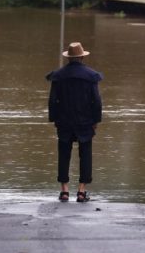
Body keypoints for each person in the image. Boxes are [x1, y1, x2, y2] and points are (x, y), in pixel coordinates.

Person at [46, 42, 103, 202]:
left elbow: (52, 101)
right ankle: (81, 191)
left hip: (64, 121)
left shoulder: (58, 76)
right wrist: (96, 120)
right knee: (85, 154)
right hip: (85, 121)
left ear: (69, 58)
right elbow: (96, 101)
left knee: (64, 154)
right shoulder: (91, 76)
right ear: (82, 57)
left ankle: (64, 191)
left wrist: (54, 119)